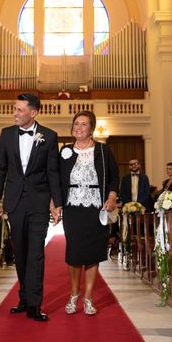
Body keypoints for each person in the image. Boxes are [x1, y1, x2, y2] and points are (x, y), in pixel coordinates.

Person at [0, 93, 62, 322]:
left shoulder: (49, 137)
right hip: (15, 201)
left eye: (20, 110)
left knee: (36, 253)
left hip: (39, 202)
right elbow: (1, 169)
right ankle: (23, 297)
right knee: (20, 252)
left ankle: (34, 304)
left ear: (33, 113)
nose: (15, 113)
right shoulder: (6, 134)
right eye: (15, 108)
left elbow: (53, 172)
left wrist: (56, 203)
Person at [59, 111, 118, 315]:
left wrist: (111, 198)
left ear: (91, 128)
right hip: (73, 207)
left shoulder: (103, 150)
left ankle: (88, 298)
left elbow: (113, 178)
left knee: (93, 253)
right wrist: (55, 204)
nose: (78, 127)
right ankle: (73, 295)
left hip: (96, 207)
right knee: (74, 253)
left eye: (83, 124)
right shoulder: (65, 151)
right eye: (76, 124)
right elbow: (58, 181)